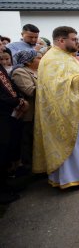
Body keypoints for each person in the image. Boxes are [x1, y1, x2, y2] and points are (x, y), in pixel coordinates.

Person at [33, 26, 79, 189]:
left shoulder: (68, 56)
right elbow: (54, 86)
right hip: (66, 113)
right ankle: (73, 176)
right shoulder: (51, 58)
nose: (77, 42)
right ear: (61, 40)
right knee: (74, 143)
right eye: (73, 39)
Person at [0, 61, 28, 204]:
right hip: (2, 113)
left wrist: (19, 99)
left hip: (10, 113)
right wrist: (16, 102)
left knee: (7, 147)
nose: (2, 48)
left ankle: (6, 183)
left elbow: (9, 85)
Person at [10, 49, 42, 171]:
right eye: (38, 58)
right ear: (28, 62)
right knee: (27, 141)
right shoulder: (20, 72)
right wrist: (52, 85)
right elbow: (30, 90)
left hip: (40, 113)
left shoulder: (39, 70)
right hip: (29, 114)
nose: (41, 60)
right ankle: (28, 168)